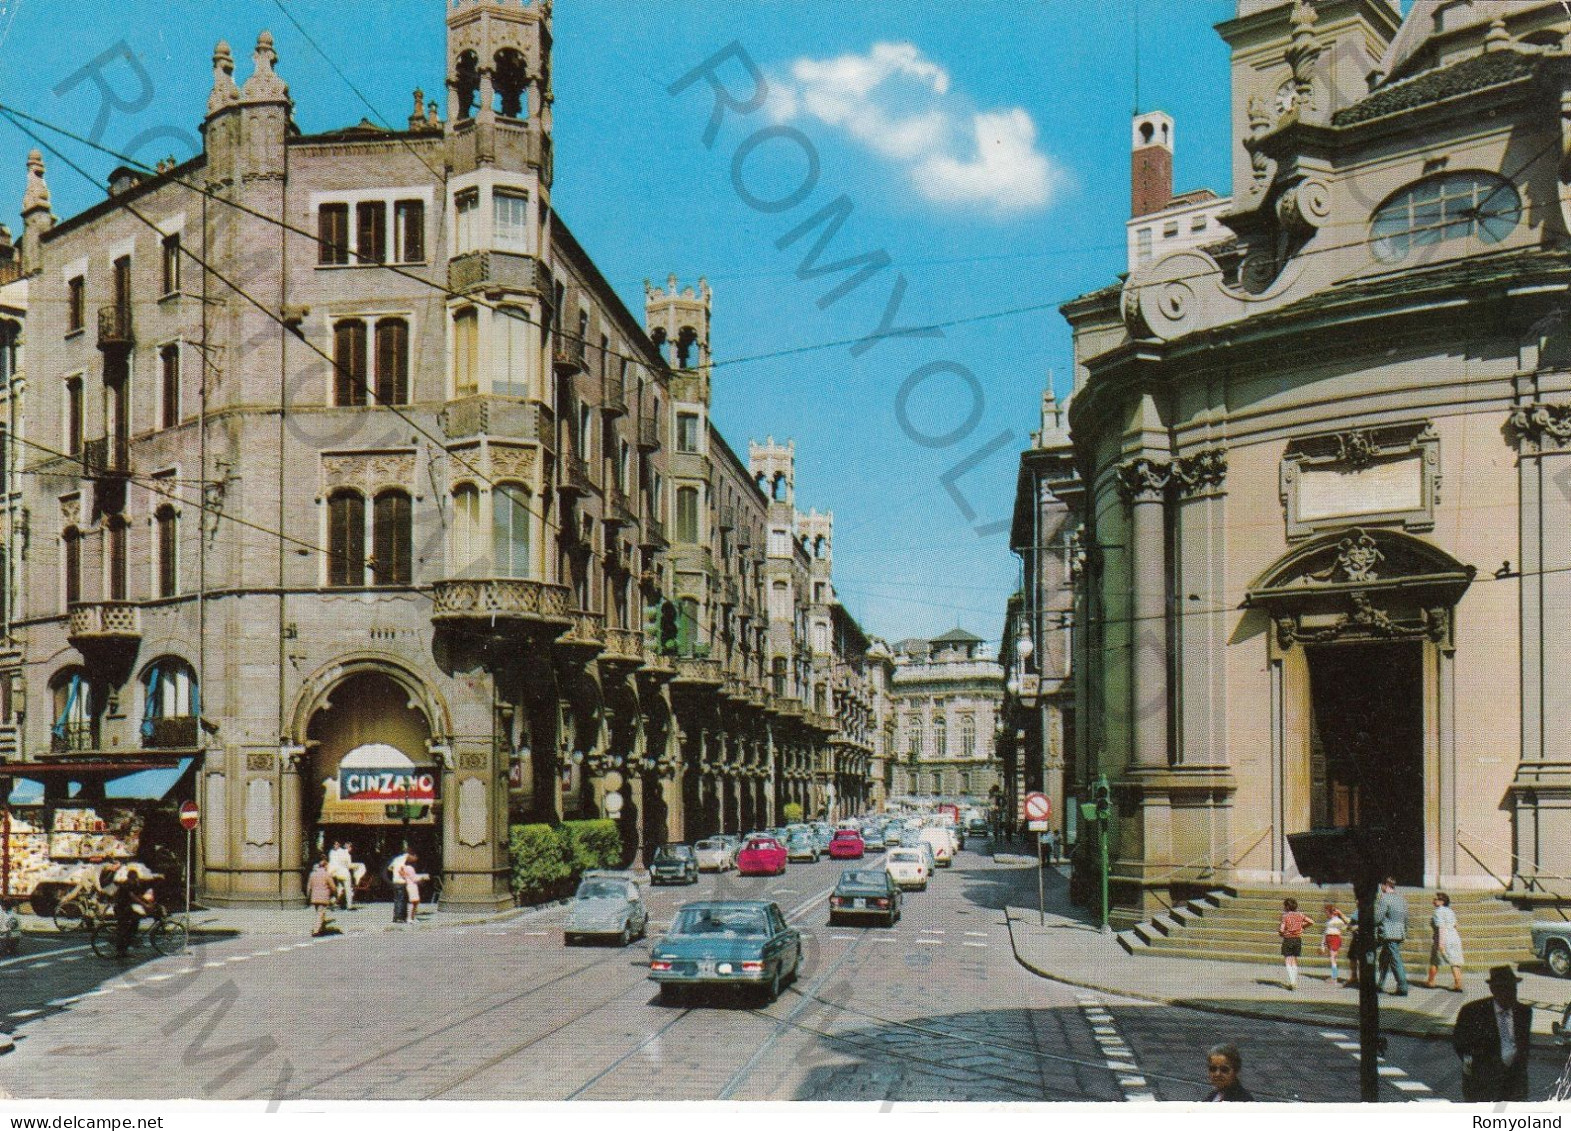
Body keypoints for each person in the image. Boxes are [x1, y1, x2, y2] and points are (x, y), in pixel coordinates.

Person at [1453, 965, 1532, 1102]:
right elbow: (1459, 1042)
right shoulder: (1472, 1011)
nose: (1510, 994)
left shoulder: (1524, 1012)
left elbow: (1523, 1047)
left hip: (1514, 1085)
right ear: (1493, 990)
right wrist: (1473, 1065)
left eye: (1513, 989)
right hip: (1483, 1083)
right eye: (1505, 989)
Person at [1373, 876, 1410, 996]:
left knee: (1395, 960)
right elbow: (1406, 919)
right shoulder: (1401, 899)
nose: (1380, 888)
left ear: (1385, 885)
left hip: (1388, 933)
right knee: (1384, 959)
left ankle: (1402, 986)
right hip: (1399, 932)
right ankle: (1379, 984)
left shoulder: (1384, 898)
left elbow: (1377, 918)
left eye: (1381, 885)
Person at [1426, 891, 1465, 992]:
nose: (1433, 900)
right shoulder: (1450, 911)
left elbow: (1441, 928)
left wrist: (1441, 943)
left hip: (1443, 937)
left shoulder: (1437, 912)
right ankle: (1458, 983)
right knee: (1454, 961)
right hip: (1455, 937)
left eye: (1436, 899)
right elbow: (1456, 925)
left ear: (1442, 902)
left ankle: (1431, 981)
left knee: (1434, 960)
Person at [111, 875, 153, 959]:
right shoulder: (126, 885)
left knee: (136, 919)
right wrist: (145, 905)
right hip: (121, 908)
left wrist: (146, 901)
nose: (136, 880)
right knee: (124, 927)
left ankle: (130, 941)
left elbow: (137, 896)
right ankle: (120, 951)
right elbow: (133, 897)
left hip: (126, 907)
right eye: (134, 879)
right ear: (131, 878)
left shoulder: (131, 885)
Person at [1278, 898, 1313, 990]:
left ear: (1287, 907)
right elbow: (1311, 922)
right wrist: (1302, 927)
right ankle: (1294, 981)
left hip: (1288, 939)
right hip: (1297, 939)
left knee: (1288, 960)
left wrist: (1281, 933)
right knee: (1294, 960)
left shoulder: (1285, 916)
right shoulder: (1300, 915)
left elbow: (1282, 929)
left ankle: (1292, 982)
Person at [327, 841, 365, 910]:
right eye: (350, 847)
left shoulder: (335, 853)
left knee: (339, 888)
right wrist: (356, 866)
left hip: (338, 873)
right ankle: (349, 905)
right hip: (345, 873)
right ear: (349, 847)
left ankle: (332, 901)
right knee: (348, 890)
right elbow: (349, 865)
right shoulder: (346, 853)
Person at [306, 856, 336, 936]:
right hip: (323, 897)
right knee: (320, 914)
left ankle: (322, 928)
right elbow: (333, 887)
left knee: (320, 913)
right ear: (325, 866)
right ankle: (316, 931)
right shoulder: (327, 874)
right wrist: (334, 893)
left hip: (314, 897)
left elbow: (309, 886)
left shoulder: (312, 874)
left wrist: (308, 896)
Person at [397, 851, 429, 924]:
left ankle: (412, 917)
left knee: (415, 902)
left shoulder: (404, 867)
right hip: (412, 886)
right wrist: (423, 877)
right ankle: (410, 918)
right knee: (413, 902)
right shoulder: (410, 868)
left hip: (410, 885)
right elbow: (414, 878)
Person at [1321, 904, 1348, 984]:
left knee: (1332, 958)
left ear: (1331, 913)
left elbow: (1345, 927)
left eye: (1327, 913)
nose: (1326, 914)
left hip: (1334, 939)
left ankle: (1334, 977)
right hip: (1329, 939)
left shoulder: (1337, 920)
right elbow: (1325, 932)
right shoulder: (1328, 921)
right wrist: (1322, 944)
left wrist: (1341, 918)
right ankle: (1334, 976)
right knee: (1332, 958)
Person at [387, 849, 409, 924]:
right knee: (401, 899)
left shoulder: (396, 859)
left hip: (395, 881)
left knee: (397, 899)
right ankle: (400, 917)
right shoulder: (404, 860)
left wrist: (394, 871)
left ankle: (395, 917)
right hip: (401, 881)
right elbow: (401, 871)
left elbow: (389, 868)